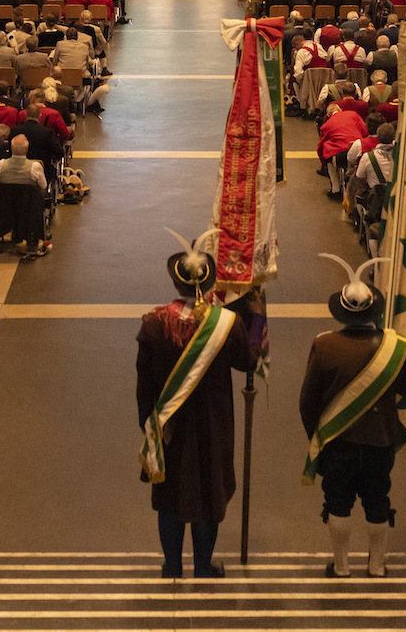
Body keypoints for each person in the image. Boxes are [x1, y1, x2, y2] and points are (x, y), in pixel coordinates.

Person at [136, 230, 261, 579]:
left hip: (168, 425)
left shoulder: (152, 323)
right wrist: (256, 316)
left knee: (169, 496)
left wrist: (149, 424)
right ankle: (203, 566)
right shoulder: (226, 324)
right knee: (208, 494)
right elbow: (249, 362)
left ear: (175, 282)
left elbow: (143, 382)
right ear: (207, 286)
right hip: (213, 425)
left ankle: (173, 566)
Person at [301, 255, 406, 579]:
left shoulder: (324, 346)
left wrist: (319, 435)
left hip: (338, 443)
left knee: (338, 502)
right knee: (378, 501)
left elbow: (306, 403)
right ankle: (377, 567)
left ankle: (341, 566)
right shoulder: (396, 346)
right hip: (380, 442)